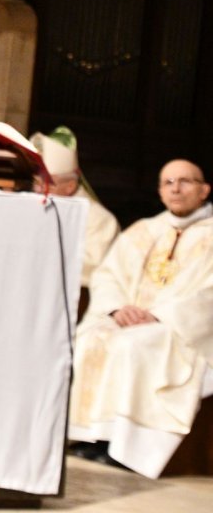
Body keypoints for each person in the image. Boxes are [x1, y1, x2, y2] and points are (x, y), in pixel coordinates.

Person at [68, 158, 213, 477]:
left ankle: (126, 449)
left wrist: (159, 315)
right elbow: (108, 275)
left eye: (185, 181)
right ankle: (95, 438)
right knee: (93, 338)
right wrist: (118, 308)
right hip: (132, 320)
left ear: (204, 190)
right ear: (160, 192)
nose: (176, 188)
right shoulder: (145, 230)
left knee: (134, 346)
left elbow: (208, 295)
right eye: (168, 182)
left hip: (178, 328)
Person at [30, 126, 120, 286]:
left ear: (70, 186)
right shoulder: (34, 207)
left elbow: (91, 267)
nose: (37, 190)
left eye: (45, 185)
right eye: (36, 183)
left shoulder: (100, 220)